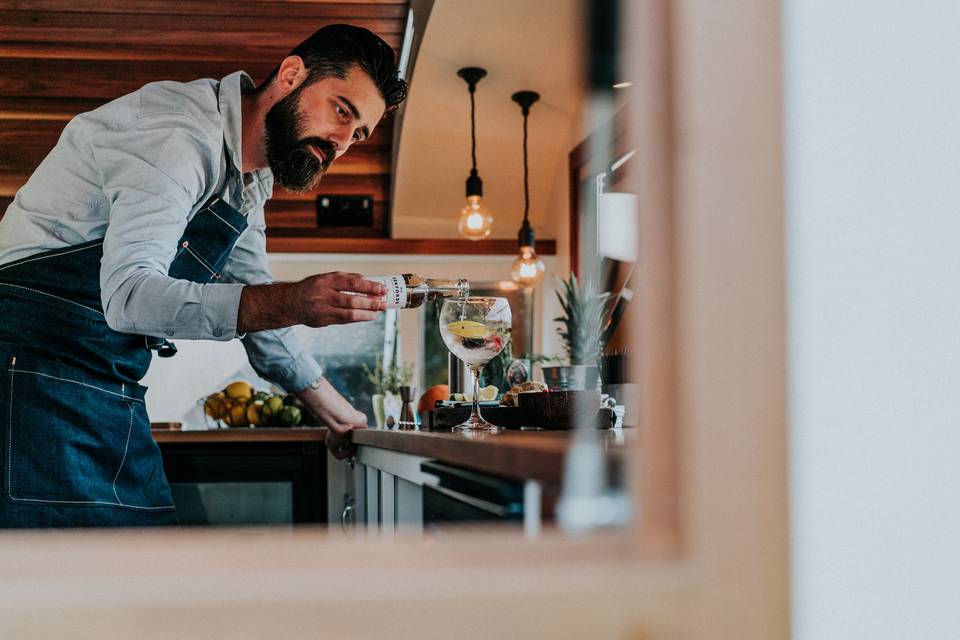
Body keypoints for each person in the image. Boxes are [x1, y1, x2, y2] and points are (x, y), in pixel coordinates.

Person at [0, 24, 408, 528]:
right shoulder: (175, 134)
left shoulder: (251, 182)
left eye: (359, 133)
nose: (342, 142)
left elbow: (260, 304)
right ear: (291, 74)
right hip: (26, 379)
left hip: (109, 385)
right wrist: (294, 301)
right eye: (341, 111)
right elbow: (129, 298)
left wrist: (335, 411)